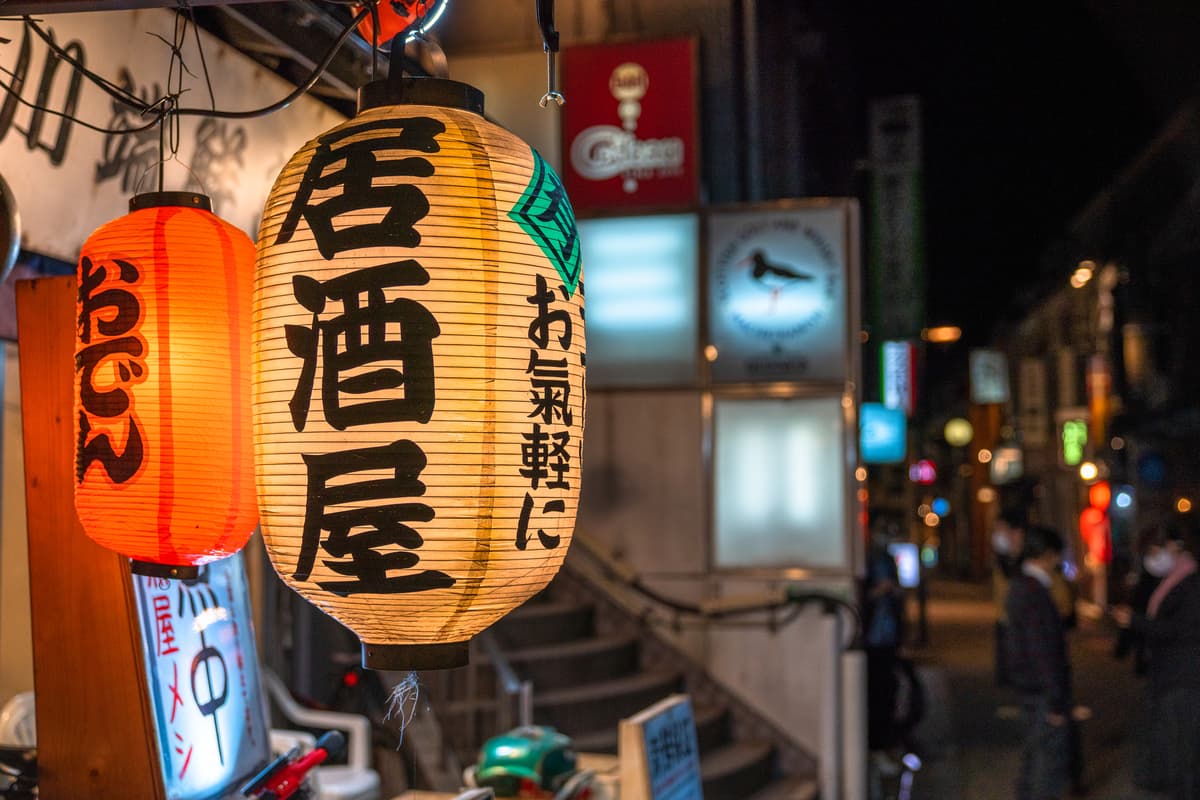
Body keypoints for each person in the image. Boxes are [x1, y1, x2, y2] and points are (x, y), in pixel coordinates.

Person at [1114, 521, 1200, 800]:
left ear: (1175, 546)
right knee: (1174, 746)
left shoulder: (1190, 583)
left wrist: (1136, 622)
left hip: (1184, 678)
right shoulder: (1172, 580)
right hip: (1169, 675)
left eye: (1155, 551)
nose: (1152, 559)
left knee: (1184, 750)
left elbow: (1182, 630)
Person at [1006, 525, 1072, 800]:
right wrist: (1056, 697)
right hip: (1041, 689)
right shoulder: (1034, 592)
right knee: (1046, 761)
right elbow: (1040, 650)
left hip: (1030, 686)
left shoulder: (1023, 587)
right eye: (1057, 556)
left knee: (1034, 756)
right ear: (1047, 555)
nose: (1058, 563)